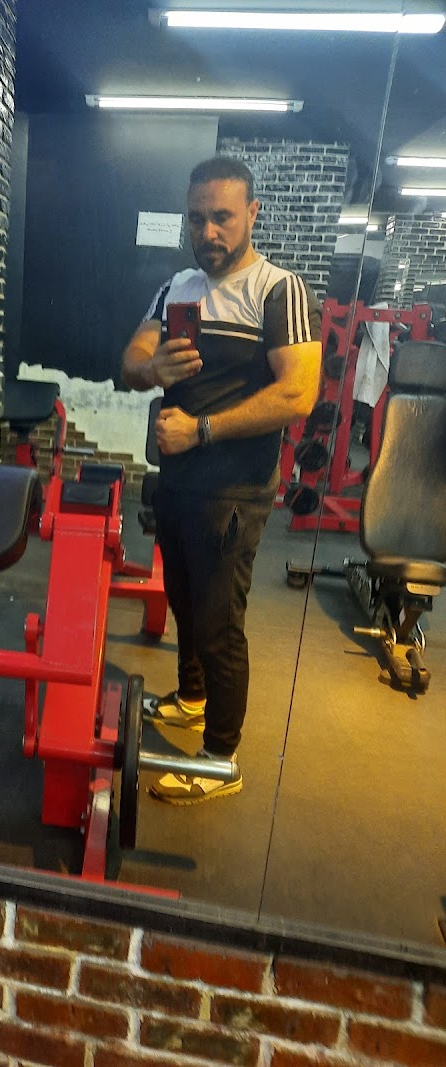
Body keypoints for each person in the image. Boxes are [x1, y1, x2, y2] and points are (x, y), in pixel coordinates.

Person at [121, 156, 322, 804]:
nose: (207, 232)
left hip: (234, 490)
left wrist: (202, 430)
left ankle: (219, 759)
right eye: (196, 218)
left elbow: (297, 394)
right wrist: (153, 369)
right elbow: (131, 358)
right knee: (183, 602)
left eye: (222, 217)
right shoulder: (177, 287)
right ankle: (192, 697)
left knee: (217, 622)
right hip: (176, 481)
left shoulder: (277, 290)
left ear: (252, 214)